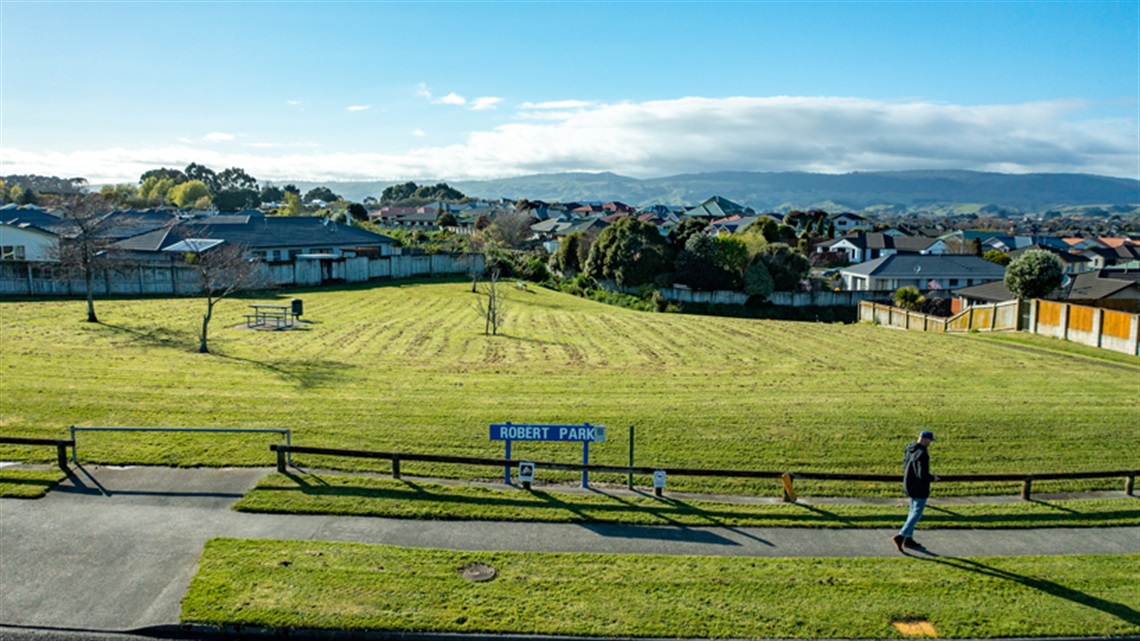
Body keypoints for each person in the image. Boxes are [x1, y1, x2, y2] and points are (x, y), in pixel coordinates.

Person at [892, 430, 939, 552]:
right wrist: (932, 477)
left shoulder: (910, 447)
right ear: (924, 439)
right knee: (917, 513)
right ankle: (901, 535)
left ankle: (908, 538)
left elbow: (905, 464)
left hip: (909, 484)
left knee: (912, 511)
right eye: (929, 440)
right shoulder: (922, 453)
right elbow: (922, 474)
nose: (930, 443)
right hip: (919, 487)